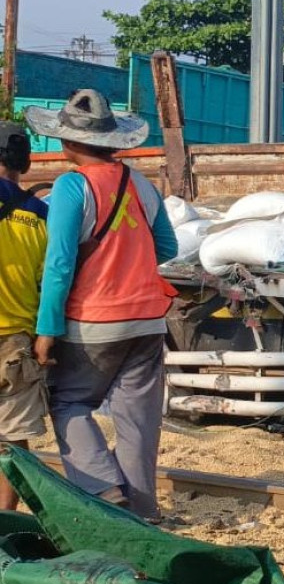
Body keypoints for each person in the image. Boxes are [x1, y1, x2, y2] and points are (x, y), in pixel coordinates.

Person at [26, 89, 178, 521]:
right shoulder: (141, 183)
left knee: (69, 402)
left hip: (93, 321)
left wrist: (47, 329)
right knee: (138, 417)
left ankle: (103, 492)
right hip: (148, 319)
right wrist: (128, 261)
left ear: (68, 142)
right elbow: (166, 246)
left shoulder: (72, 186)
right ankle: (143, 508)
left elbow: (60, 263)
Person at [0, 121, 49, 510]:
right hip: (18, 338)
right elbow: (48, 280)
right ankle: (4, 521)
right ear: (25, 165)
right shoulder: (41, 215)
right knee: (12, 437)